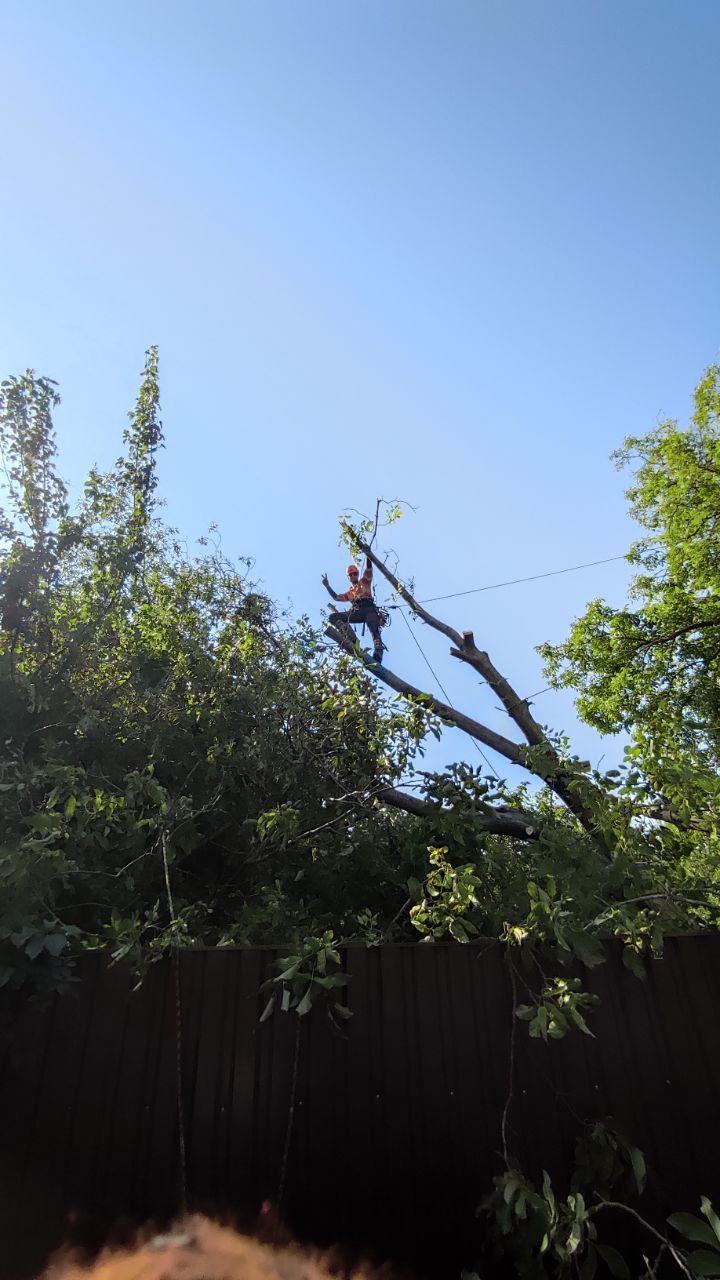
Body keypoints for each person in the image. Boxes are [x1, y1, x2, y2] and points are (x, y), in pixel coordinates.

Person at [322, 559, 385, 663]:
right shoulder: (350, 592)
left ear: (357, 574)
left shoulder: (365, 581)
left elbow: (369, 568)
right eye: (350, 575)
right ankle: (351, 639)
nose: (353, 576)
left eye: (355, 574)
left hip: (369, 610)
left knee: (373, 630)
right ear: (348, 577)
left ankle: (378, 654)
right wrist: (327, 586)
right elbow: (336, 597)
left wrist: (367, 554)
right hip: (357, 612)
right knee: (333, 617)